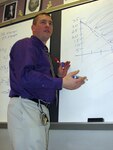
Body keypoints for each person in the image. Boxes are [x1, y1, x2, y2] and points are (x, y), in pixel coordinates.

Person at [7, 12, 87, 150]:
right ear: (33, 27)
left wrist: (58, 76)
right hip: (27, 106)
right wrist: (61, 83)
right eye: (43, 22)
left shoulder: (43, 51)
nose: (48, 25)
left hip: (36, 109)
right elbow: (26, 77)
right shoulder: (26, 45)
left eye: (50, 23)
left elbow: (36, 81)